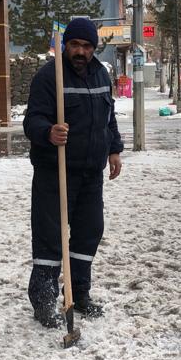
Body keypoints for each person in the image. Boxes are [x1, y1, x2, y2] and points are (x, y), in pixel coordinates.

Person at [23, 18, 124, 328]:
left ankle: (79, 292)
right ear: (65, 45)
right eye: (76, 45)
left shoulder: (101, 74)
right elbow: (32, 121)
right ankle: (43, 299)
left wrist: (114, 149)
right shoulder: (48, 77)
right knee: (51, 238)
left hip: (90, 173)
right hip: (55, 171)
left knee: (89, 231)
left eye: (87, 46)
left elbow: (109, 118)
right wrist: (48, 132)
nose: (81, 51)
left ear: (94, 48)